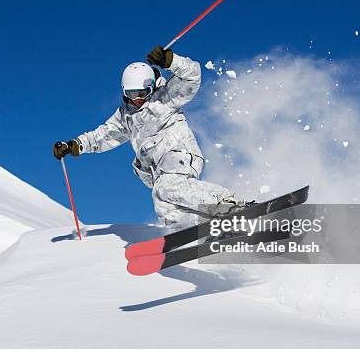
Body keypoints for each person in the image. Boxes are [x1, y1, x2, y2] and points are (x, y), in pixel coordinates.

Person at [53, 46, 250, 228]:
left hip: (177, 154)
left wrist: (171, 61)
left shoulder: (166, 97)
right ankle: (200, 229)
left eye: (142, 92)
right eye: (131, 94)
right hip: (157, 170)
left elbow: (192, 76)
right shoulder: (126, 115)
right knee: (164, 206)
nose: (137, 99)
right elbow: (103, 135)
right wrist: (74, 145)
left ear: (152, 87)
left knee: (167, 187)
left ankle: (227, 204)